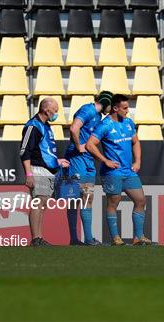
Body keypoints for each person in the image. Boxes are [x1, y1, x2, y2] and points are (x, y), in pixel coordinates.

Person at [86, 94, 153, 246]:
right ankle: (116, 238)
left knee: (140, 200)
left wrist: (138, 161)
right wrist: (105, 161)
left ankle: (138, 237)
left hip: (129, 172)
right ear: (115, 108)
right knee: (113, 202)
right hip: (112, 172)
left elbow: (135, 142)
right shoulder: (105, 125)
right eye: (124, 108)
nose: (127, 111)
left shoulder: (128, 123)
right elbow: (90, 144)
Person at [64, 91, 114, 246]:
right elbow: (74, 128)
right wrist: (78, 146)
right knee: (75, 199)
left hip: (87, 160)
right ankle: (76, 238)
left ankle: (87, 238)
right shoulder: (88, 110)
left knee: (86, 198)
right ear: (106, 103)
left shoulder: (98, 117)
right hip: (76, 158)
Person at [20, 98, 69, 246]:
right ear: (47, 110)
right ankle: (36, 238)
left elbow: (45, 151)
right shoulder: (33, 126)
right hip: (37, 170)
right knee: (38, 203)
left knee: (43, 204)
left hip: (47, 171)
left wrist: (57, 161)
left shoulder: (46, 126)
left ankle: (39, 238)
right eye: (55, 110)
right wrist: (29, 174)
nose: (56, 113)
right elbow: (24, 151)